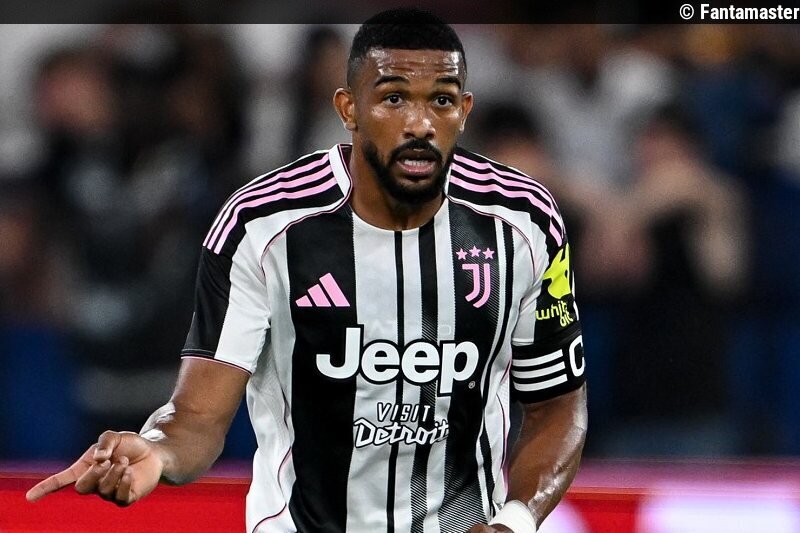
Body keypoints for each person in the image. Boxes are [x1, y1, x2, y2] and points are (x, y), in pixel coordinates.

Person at [27, 10, 587, 533]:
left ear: (463, 110)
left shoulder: (524, 223)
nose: (419, 123)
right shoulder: (261, 226)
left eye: (440, 100)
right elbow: (196, 416)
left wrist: (515, 520)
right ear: (348, 109)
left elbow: (558, 406)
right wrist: (156, 452)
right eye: (393, 98)